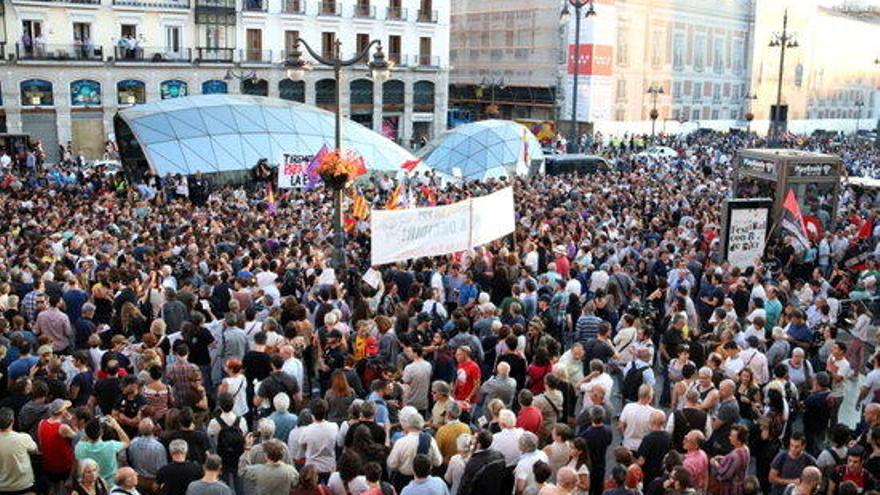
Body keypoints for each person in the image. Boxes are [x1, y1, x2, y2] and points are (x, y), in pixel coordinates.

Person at [75, 416, 131, 486]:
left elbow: (83, 439)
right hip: (110, 485)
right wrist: (116, 426)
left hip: (90, 485)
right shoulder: (111, 445)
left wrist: (90, 429)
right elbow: (127, 442)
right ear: (101, 433)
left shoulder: (79, 447)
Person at [0, 407, 38, 494]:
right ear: (12, 421)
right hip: (24, 485)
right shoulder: (23, 438)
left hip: (2, 487)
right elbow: (35, 450)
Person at [299, 399, 339, 482]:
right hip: (329, 466)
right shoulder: (334, 427)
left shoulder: (307, 430)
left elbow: (302, 445)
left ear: (312, 413)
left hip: (312, 467)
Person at [459, 430, 507, 495]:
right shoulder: (499, 456)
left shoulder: (473, 463)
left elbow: (465, 488)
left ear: (478, 445)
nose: (472, 440)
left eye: (475, 438)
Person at [710, 424, 750, 495]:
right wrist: (725, 458)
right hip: (741, 484)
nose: (729, 437)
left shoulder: (734, 455)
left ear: (739, 441)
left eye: (732, 436)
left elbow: (724, 474)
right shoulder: (746, 449)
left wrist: (714, 463)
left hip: (731, 489)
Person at [618, 384, 658, 451]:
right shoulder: (653, 412)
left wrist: (624, 436)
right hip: (645, 447)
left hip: (628, 445)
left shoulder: (628, 407)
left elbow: (620, 426)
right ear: (650, 397)